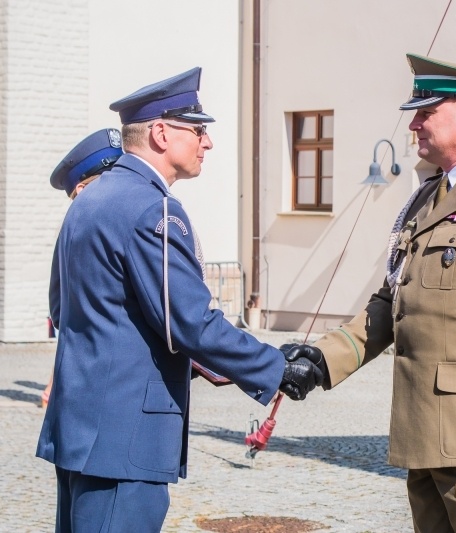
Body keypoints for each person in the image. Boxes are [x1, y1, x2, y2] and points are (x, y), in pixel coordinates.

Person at [281, 53, 456, 532]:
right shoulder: (430, 198)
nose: (413, 124)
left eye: (426, 112)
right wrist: (324, 359)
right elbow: (393, 299)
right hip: (425, 433)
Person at [36, 67, 323, 532]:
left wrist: (225, 364)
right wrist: (275, 367)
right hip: (124, 440)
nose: (206, 143)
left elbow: (65, 309)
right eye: (198, 130)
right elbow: (189, 323)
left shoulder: (90, 200)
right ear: (161, 133)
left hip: (80, 429)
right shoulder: (155, 207)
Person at [41, 128, 124, 409]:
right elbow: (62, 312)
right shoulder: (79, 233)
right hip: (101, 382)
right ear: (82, 189)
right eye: (109, 179)